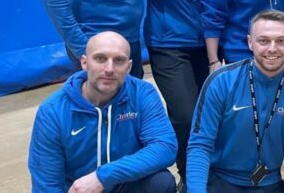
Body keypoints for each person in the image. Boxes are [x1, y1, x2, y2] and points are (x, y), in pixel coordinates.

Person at [138, 0, 224, 191]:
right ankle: (189, 179)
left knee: (209, 118)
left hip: (208, 48)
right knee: (186, 116)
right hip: (167, 47)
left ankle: (207, 173)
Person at [28, 32, 177, 193]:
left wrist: (103, 177)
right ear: (84, 62)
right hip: (79, 190)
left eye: (119, 60)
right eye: (100, 58)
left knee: (161, 182)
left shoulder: (142, 94)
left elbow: (164, 147)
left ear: (129, 66)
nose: (109, 69)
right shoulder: (53, 112)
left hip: (124, 183)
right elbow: (48, 185)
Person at [186, 10, 284, 193]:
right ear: (250, 42)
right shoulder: (221, 82)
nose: (272, 48)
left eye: (281, 41)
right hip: (221, 179)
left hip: (268, 182)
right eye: (263, 40)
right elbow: (200, 145)